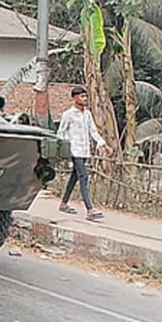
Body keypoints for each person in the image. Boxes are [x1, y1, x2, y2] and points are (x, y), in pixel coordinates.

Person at [57, 86, 113, 221]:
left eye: (86, 96)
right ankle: (90, 209)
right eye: (82, 96)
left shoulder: (87, 114)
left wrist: (104, 144)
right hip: (74, 150)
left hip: (84, 150)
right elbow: (61, 133)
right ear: (75, 98)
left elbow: (93, 131)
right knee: (84, 177)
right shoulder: (68, 115)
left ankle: (63, 203)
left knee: (74, 177)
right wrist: (64, 147)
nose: (85, 99)